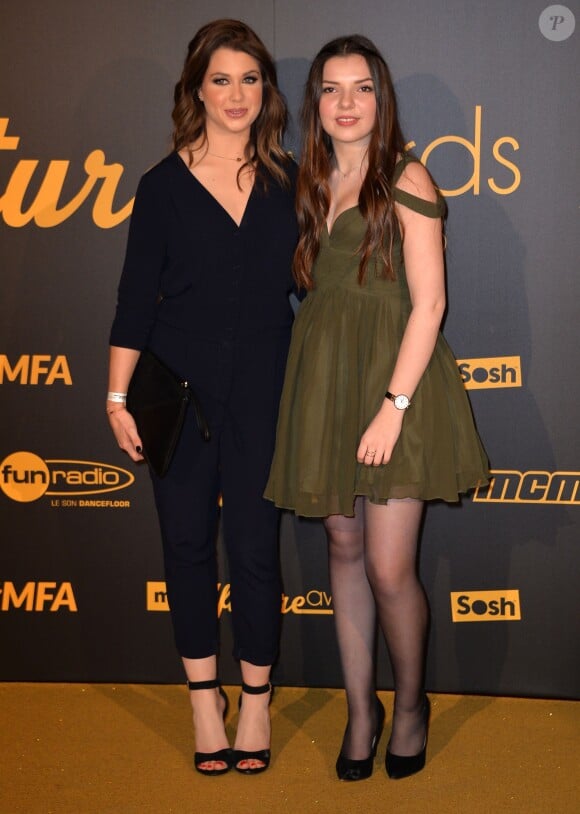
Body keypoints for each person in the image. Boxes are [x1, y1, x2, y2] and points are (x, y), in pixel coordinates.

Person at [265, 35, 489, 782]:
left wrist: (393, 406)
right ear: (315, 104)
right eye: (331, 89)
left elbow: (431, 304)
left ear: (380, 98)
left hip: (398, 384)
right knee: (345, 552)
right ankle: (362, 712)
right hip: (326, 383)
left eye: (361, 88)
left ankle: (412, 704)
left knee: (392, 567)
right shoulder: (307, 180)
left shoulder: (408, 175)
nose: (347, 103)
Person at [106, 19, 298, 776]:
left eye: (249, 78)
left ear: (266, 90)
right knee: (186, 550)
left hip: (263, 395)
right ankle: (200, 698)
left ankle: (255, 698)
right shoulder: (160, 187)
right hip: (174, 397)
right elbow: (132, 303)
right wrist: (117, 398)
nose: (236, 95)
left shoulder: (291, 182)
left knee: (254, 553)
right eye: (221, 79)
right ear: (196, 89)